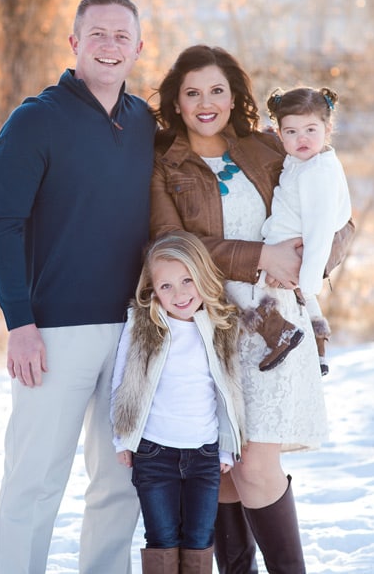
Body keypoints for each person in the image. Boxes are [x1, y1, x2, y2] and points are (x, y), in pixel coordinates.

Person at [0, 0, 155, 574]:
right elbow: (1, 225)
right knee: (34, 479)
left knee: (118, 482)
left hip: (135, 331)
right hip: (54, 332)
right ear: (75, 42)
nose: (110, 46)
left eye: (121, 36)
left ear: (138, 47)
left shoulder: (143, 122)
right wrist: (19, 323)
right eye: (98, 34)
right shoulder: (36, 120)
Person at [150, 45, 329, 574]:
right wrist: (261, 256)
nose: (206, 103)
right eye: (192, 93)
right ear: (176, 103)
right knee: (222, 469)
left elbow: (337, 219)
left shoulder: (269, 148)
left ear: (234, 97)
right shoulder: (164, 166)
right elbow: (169, 244)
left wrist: (309, 262)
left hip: (274, 329)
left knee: (254, 464)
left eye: (217, 90)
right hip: (208, 327)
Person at [111, 230, 244, 573]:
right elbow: (123, 382)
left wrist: (226, 449)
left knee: (199, 537)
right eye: (166, 286)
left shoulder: (220, 326)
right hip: (154, 453)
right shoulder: (143, 324)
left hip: (204, 455)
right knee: (162, 536)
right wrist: (123, 438)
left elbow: (228, 390)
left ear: (202, 276)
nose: (179, 293)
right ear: (153, 289)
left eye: (187, 280)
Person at [253, 86, 353, 376]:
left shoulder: (317, 173)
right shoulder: (304, 162)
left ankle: (281, 334)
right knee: (307, 304)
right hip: (285, 240)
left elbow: (320, 231)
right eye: (292, 132)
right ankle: (319, 348)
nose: (302, 139)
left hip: (291, 247)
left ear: (328, 127)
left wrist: (308, 279)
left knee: (251, 290)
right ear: (279, 133)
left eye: (311, 129)